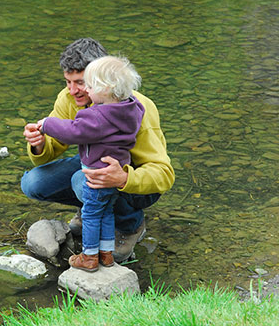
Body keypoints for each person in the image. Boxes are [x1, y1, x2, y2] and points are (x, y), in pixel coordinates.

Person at [22, 38, 175, 263]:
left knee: (81, 182)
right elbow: (51, 150)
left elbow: (164, 174)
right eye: (67, 82)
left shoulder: (137, 108)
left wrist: (124, 178)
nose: (73, 91)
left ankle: (130, 225)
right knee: (33, 183)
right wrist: (39, 143)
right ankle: (92, 211)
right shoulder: (69, 97)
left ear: (103, 82)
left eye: (81, 83)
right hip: (95, 164)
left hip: (134, 177)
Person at [38, 55, 145, 272]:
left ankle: (89, 256)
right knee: (106, 212)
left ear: (107, 89)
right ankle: (106, 254)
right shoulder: (133, 108)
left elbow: (72, 131)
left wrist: (47, 124)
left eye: (90, 85)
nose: (85, 90)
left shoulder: (97, 116)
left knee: (91, 214)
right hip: (114, 174)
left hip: (96, 175)